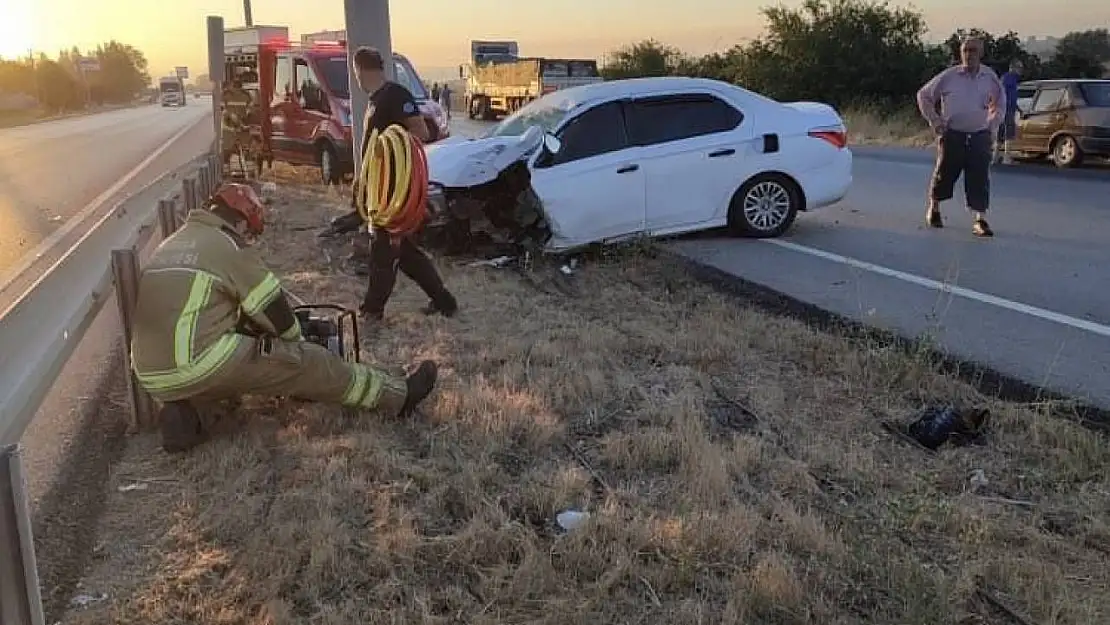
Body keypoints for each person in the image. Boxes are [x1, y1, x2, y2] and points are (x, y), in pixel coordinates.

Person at [130, 182, 439, 453]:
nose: (248, 238)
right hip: (201, 361)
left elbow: (198, 311)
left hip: (151, 374)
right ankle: (399, 398)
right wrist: (296, 340)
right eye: (249, 231)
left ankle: (187, 417)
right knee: (308, 363)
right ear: (240, 221)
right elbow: (275, 312)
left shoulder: (172, 244)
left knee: (225, 386)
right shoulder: (227, 245)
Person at [320, 47, 457, 322]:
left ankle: (372, 311)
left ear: (359, 71)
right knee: (405, 253)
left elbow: (421, 132)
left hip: (393, 192)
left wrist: (391, 154)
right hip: (378, 190)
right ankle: (444, 302)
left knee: (383, 250)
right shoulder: (376, 99)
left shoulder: (395, 95)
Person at [916, 36, 1006, 238]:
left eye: (973, 50)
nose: (969, 55)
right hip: (953, 134)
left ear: (981, 54)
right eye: (965, 51)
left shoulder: (989, 77)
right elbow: (923, 95)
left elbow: (1000, 103)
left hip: (979, 135)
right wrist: (935, 121)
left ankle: (980, 219)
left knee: (980, 177)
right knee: (944, 174)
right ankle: (935, 208)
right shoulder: (950, 76)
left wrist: (992, 124)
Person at [997, 60, 1023, 165]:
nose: (1021, 70)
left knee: (1002, 133)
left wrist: (1018, 108)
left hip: (1009, 109)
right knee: (1008, 132)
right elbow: (1003, 95)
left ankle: (996, 156)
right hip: (1006, 109)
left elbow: (1012, 97)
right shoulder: (1007, 79)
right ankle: (1006, 158)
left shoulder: (1013, 79)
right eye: (1019, 68)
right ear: (1012, 67)